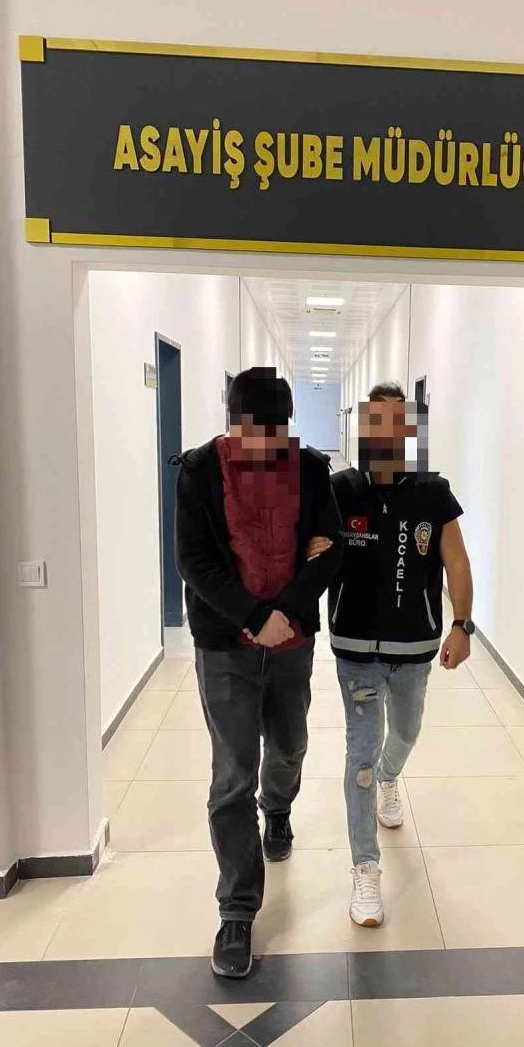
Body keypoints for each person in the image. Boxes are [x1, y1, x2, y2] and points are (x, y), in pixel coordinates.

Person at [174, 366, 343, 978]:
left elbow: (330, 549)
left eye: (276, 433)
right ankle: (237, 911)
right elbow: (193, 561)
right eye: (254, 433)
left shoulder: (312, 470)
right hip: (225, 645)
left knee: (290, 745)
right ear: (232, 424)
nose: (266, 446)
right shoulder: (199, 471)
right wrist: (252, 617)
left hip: (291, 641)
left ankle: (279, 807)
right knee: (231, 775)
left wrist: (285, 613)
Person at [309, 381, 474, 926]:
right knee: (359, 752)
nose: (384, 433)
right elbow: (312, 548)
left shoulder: (432, 491)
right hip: (354, 646)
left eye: (395, 423)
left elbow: (456, 561)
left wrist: (461, 625)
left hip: (415, 645)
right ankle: (365, 867)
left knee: (405, 731)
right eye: (374, 422)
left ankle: (389, 776)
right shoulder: (341, 489)